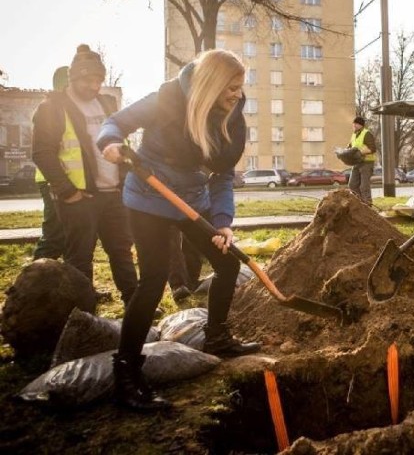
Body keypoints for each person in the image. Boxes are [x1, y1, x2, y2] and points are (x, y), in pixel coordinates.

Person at [98, 48, 260, 411]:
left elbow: (222, 177)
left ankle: (217, 336)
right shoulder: (167, 98)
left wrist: (221, 222)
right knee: (153, 281)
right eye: (231, 87)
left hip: (190, 198)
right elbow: (116, 122)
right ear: (210, 83)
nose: (237, 94)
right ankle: (126, 376)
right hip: (148, 194)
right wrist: (110, 143)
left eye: (240, 87)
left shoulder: (233, 118)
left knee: (228, 263)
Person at [31, 46, 138, 305]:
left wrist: (127, 177)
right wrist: (68, 192)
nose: (94, 86)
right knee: (79, 257)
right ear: (73, 78)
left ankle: (135, 304)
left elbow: (120, 142)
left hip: (113, 193)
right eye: (88, 80)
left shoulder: (107, 104)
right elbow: (42, 153)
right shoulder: (52, 108)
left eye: (99, 80)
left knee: (121, 251)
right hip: (80, 197)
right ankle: (84, 312)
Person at [32, 66, 70, 260]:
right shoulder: (51, 108)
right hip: (53, 181)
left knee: (72, 237)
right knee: (55, 235)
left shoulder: (70, 108)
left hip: (69, 181)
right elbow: (43, 152)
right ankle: (30, 286)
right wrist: (60, 183)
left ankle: (70, 286)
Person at [346, 116, 377, 205]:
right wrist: (346, 151)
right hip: (356, 163)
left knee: (364, 186)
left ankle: (367, 205)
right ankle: (359, 204)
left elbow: (373, 148)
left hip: (366, 163)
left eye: (356, 124)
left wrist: (361, 152)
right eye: (353, 124)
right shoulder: (354, 135)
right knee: (352, 185)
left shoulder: (367, 134)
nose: (354, 125)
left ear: (361, 125)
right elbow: (351, 146)